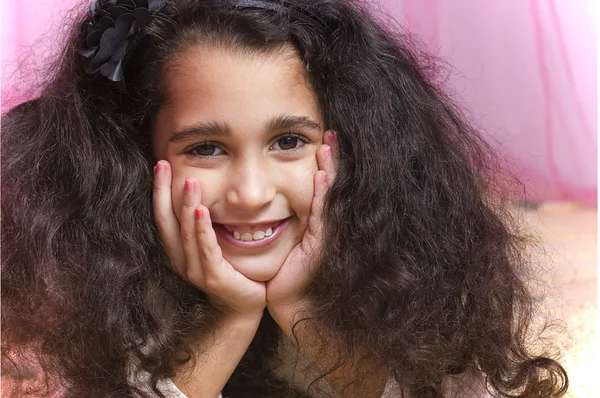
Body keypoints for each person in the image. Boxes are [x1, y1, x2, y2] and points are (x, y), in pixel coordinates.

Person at [1, 0, 569, 397]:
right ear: (133, 157)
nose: (251, 194)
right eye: (206, 148)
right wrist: (231, 316)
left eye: (289, 141)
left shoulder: (411, 267)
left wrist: (301, 312)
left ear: (356, 147)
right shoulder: (78, 279)